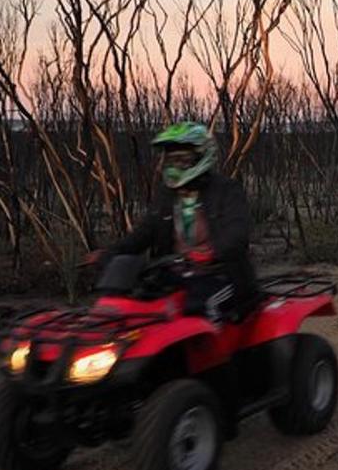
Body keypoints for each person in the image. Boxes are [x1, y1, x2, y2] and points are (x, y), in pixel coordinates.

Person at [86, 121, 258, 323]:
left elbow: (238, 233)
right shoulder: (167, 196)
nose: (175, 165)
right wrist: (110, 254)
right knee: (137, 303)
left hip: (222, 275)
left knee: (197, 312)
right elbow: (143, 233)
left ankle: (219, 355)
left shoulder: (227, 190)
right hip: (176, 273)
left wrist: (212, 252)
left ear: (202, 157)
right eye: (171, 159)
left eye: (182, 159)